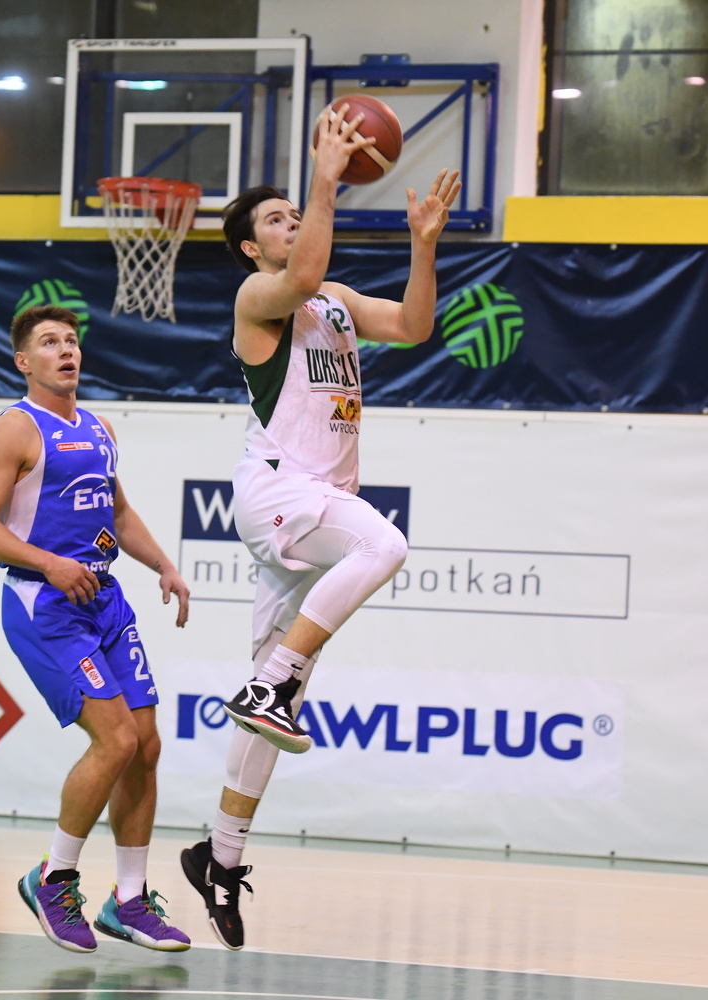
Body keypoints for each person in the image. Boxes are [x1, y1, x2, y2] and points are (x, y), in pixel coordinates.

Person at [178, 107, 460, 950]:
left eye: (297, 213)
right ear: (250, 248)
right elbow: (302, 273)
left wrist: (422, 246)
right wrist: (326, 179)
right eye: (278, 219)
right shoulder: (261, 297)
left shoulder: (334, 303)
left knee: (272, 705)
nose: (293, 222)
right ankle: (274, 682)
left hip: (316, 503)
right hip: (280, 492)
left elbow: (413, 327)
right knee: (386, 544)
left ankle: (219, 857)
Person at [0, 305, 193, 955]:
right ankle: (53, 878)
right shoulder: (11, 431)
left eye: (71, 340)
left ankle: (129, 901)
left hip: (104, 597)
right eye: (48, 342)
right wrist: (50, 564)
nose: (65, 350)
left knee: (145, 745)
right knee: (115, 740)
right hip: (45, 602)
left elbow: (117, 510)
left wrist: (164, 565)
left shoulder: (98, 427)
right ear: (23, 362)